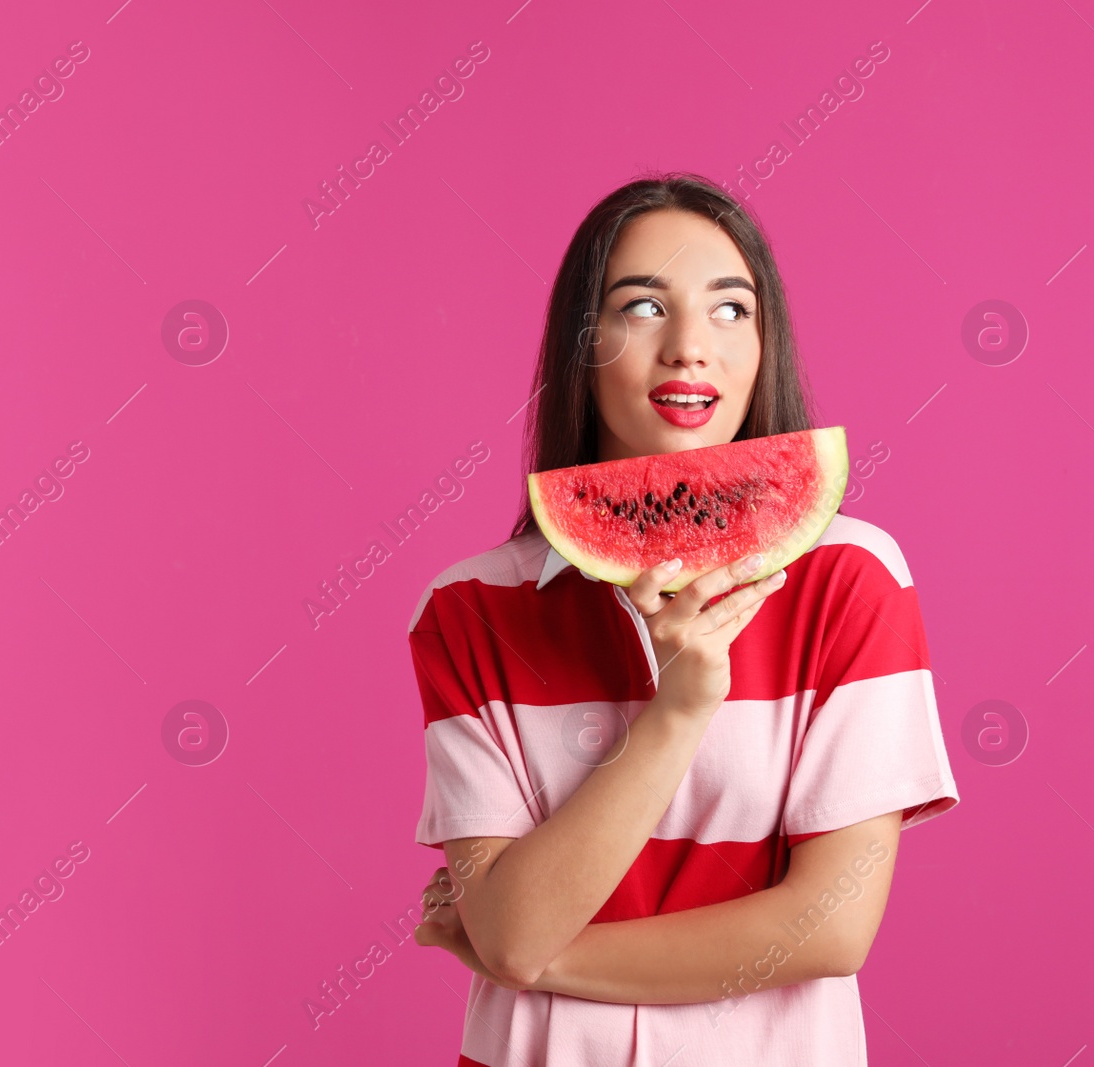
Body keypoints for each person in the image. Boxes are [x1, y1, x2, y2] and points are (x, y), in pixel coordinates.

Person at [407, 173, 960, 1066]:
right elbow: (510, 934)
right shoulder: (469, 611)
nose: (691, 348)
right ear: (582, 347)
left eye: (732, 309)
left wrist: (536, 955)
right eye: (642, 307)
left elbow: (829, 928)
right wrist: (679, 711)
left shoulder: (853, 579)